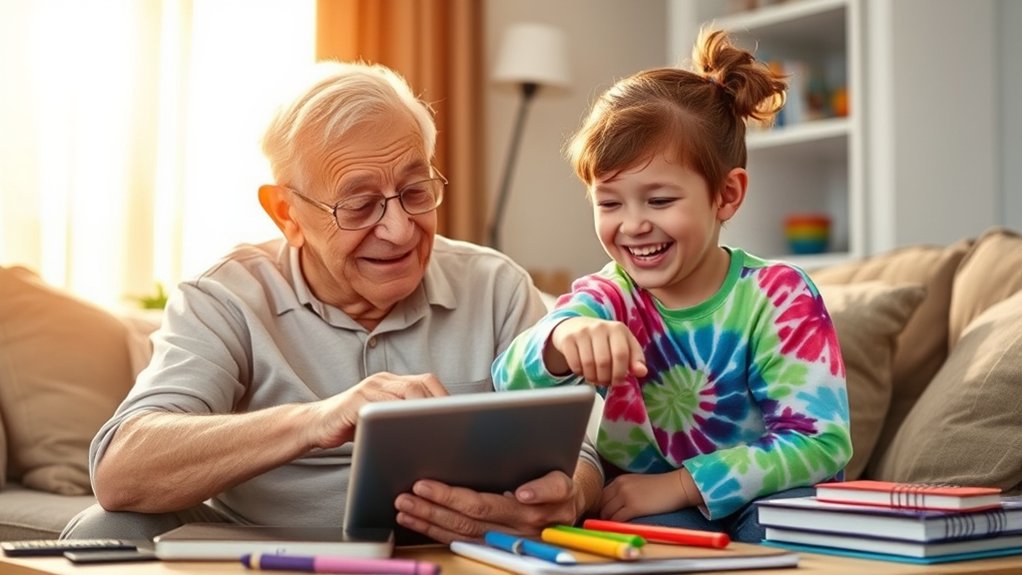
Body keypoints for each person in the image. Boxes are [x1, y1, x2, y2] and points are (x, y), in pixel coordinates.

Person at [62, 61, 603, 543]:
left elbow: (583, 451)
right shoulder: (225, 296)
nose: (398, 230)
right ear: (286, 214)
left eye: (416, 192)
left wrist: (568, 497)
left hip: (446, 551)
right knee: (104, 529)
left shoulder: (495, 287)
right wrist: (318, 420)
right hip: (262, 553)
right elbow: (122, 468)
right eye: (360, 205)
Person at [491, 28, 852, 543]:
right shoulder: (607, 297)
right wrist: (560, 340)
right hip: (656, 509)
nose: (633, 224)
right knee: (629, 538)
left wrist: (684, 484)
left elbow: (820, 442)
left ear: (726, 196)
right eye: (610, 203)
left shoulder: (779, 296)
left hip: (770, 498)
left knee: (787, 526)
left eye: (659, 201)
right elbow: (507, 382)